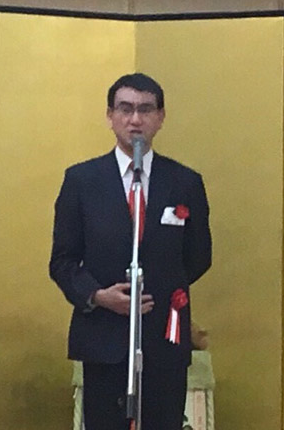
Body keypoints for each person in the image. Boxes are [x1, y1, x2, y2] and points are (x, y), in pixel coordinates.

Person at [49, 73, 212, 430]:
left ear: (161, 117)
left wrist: (162, 288)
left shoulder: (185, 182)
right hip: (103, 339)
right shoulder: (81, 181)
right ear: (110, 116)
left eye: (145, 109)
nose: (135, 119)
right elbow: (62, 261)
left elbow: (199, 255)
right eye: (125, 109)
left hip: (163, 340)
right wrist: (98, 296)